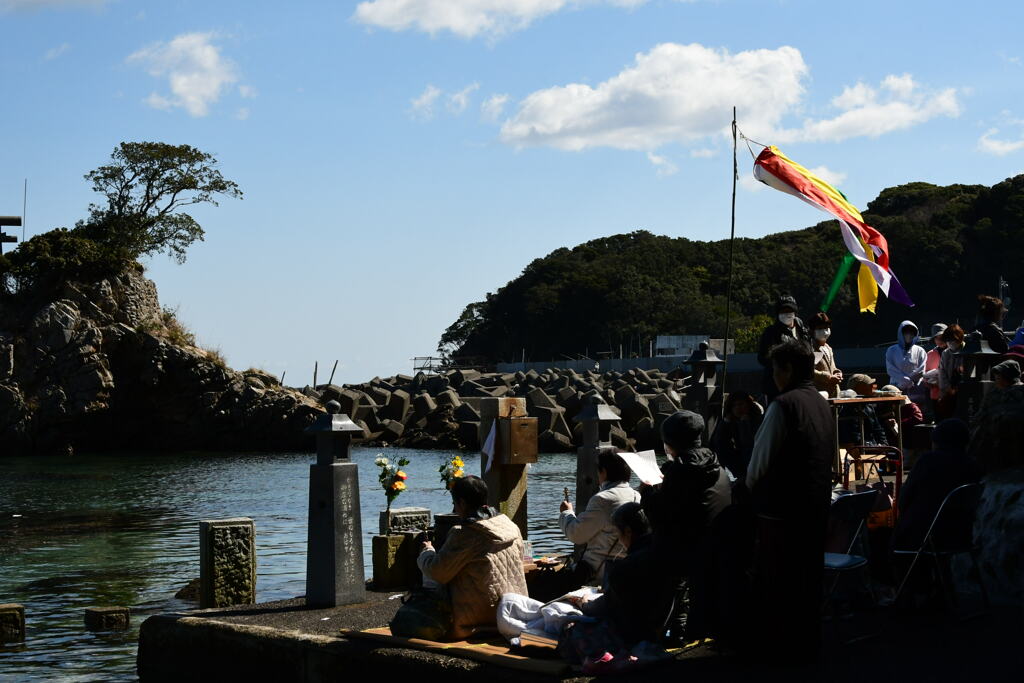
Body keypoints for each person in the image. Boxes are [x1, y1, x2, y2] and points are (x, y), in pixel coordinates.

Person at [744, 339, 834, 659]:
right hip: (817, 508)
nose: (774, 376)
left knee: (778, 584)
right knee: (807, 582)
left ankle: (777, 650)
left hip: (781, 512)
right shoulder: (823, 403)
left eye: (776, 369)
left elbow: (758, 464)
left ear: (789, 369)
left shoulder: (782, 405)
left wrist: (747, 494)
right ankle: (806, 645)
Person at [642, 410, 731, 642]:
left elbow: (660, 516)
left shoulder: (680, 471)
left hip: (687, 550)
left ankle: (655, 629)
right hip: (718, 544)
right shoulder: (716, 464)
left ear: (670, 443)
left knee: (638, 560)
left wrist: (647, 491)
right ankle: (681, 626)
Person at [414, 476, 528, 640]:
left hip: (477, 622)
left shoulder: (465, 533)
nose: (455, 510)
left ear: (462, 503)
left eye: (455, 505)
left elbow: (437, 572)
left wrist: (427, 552)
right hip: (514, 613)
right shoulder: (510, 525)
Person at [892, 419, 982, 552]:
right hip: (962, 535)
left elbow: (904, 499)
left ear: (936, 441)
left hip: (922, 535)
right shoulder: (973, 465)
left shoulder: (927, 462)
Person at [559, 447, 640, 585]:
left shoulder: (602, 499)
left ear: (604, 472)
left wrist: (566, 513)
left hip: (597, 575)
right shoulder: (636, 495)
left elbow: (577, 534)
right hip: (625, 572)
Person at [757, 294, 809, 404]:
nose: (786, 314)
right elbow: (762, 358)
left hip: (799, 383)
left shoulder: (802, 330)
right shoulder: (771, 332)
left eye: (789, 310)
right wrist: (782, 363)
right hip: (777, 386)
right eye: (782, 311)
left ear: (795, 312)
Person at [709, 391, 763, 479]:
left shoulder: (756, 419)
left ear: (748, 405)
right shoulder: (731, 421)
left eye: (741, 404)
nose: (738, 408)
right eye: (734, 405)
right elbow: (718, 443)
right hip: (740, 463)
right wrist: (725, 423)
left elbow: (748, 444)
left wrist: (744, 424)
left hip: (755, 461)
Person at [839, 373, 891, 447]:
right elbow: (853, 438)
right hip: (863, 451)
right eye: (870, 385)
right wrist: (875, 448)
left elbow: (878, 429)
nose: (874, 387)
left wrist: (884, 445)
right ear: (860, 388)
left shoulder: (869, 406)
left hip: (874, 448)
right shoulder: (848, 409)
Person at [885, 320, 928, 404]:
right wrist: (904, 380)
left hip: (915, 388)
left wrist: (910, 380)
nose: (909, 335)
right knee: (898, 412)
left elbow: (922, 369)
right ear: (901, 334)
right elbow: (890, 369)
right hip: (896, 388)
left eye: (912, 333)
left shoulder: (920, 350)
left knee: (916, 412)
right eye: (906, 333)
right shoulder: (891, 350)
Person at [809, 311, 842, 397]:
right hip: (819, 396)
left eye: (826, 328)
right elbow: (810, 370)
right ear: (812, 331)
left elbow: (833, 368)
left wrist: (838, 373)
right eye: (820, 328)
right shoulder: (812, 349)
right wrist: (828, 377)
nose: (824, 331)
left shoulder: (828, 348)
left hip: (834, 394)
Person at [936, 324, 965, 420]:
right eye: (948, 341)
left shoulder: (967, 350)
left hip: (963, 392)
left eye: (952, 340)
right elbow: (942, 372)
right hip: (947, 394)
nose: (950, 343)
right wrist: (948, 389)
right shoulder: (946, 353)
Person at [923, 323, 948, 418]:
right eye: (936, 338)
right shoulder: (930, 354)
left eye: (941, 337)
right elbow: (925, 375)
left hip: (951, 394)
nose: (939, 340)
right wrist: (929, 382)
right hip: (935, 395)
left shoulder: (954, 352)